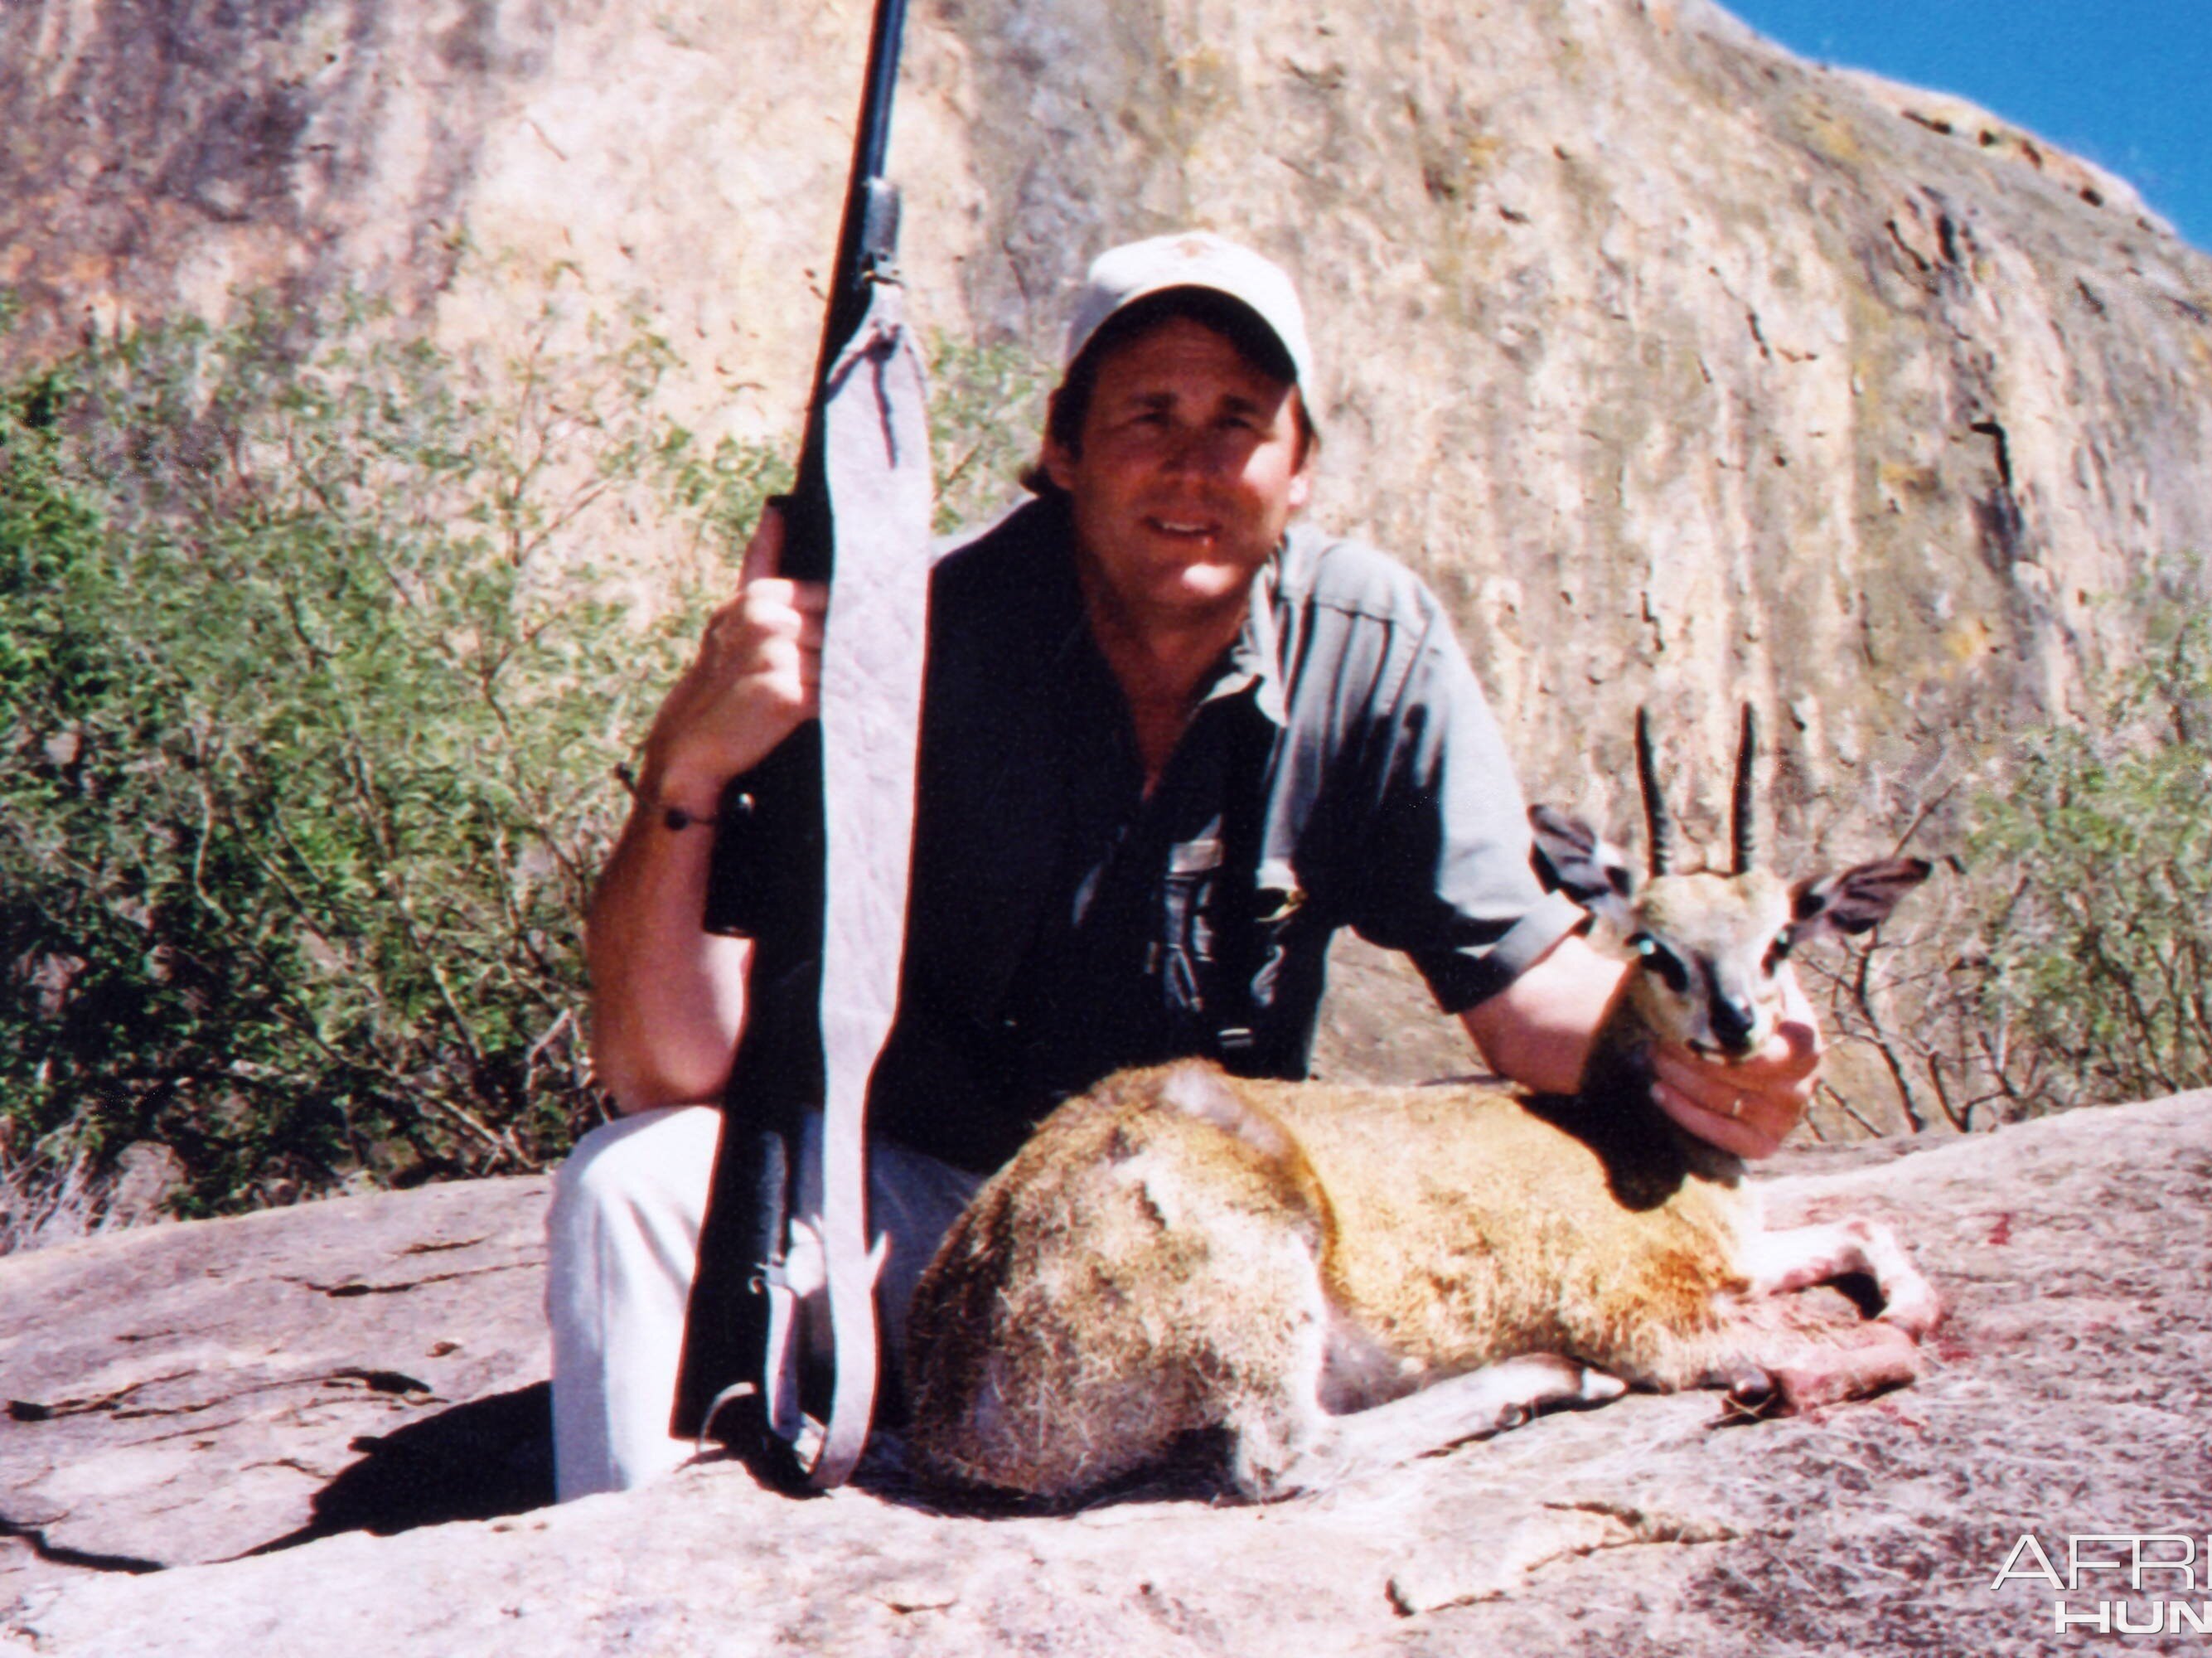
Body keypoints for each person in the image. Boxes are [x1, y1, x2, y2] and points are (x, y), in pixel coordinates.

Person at [546, 232, 1823, 1500]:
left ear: (1302, 466)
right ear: (1063, 446)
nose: (1195, 466)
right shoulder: (909, 640)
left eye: (1240, 422)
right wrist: (688, 773)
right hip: (913, 1214)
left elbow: (1524, 990)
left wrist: (1714, 1047)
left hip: (1194, 1230)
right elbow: (668, 1066)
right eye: (1149, 413)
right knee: (628, 1189)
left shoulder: (1371, 643)